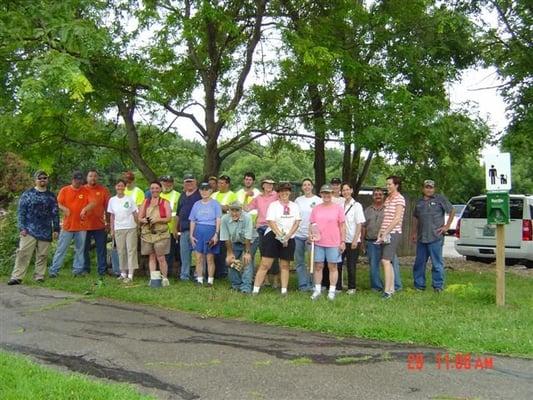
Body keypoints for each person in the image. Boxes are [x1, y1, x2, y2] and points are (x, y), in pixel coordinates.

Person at [8, 171, 60, 285]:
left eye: (44, 178)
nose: (42, 180)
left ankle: (39, 276)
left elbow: (55, 213)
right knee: (23, 253)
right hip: (29, 230)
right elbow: (21, 212)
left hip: (45, 230)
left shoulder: (51, 196)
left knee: (42, 255)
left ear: (47, 180)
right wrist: (22, 227)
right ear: (35, 180)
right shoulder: (27, 194)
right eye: (39, 178)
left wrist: (56, 229)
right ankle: (17, 277)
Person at [252, 182, 301, 296]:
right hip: (273, 236)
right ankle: (255, 290)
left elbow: (297, 222)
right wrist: (281, 236)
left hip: (289, 237)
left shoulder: (294, 206)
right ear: (278, 193)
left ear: (290, 192)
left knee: (285, 265)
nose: (284, 193)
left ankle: (284, 291)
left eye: (287, 191)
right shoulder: (274, 205)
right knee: (265, 264)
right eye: (282, 191)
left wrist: (287, 236)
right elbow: (270, 221)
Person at [49, 171, 94, 277]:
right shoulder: (64, 190)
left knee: (80, 249)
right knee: (61, 249)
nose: (78, 182)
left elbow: (92, 203)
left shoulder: (85, 190)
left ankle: (77, 270)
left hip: (82, 226)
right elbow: (57, 203)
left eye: (80, 180)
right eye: (76, 180)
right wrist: (64, 208)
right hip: (68, 225)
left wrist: (85, 209)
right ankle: (54, 270)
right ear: (72, 180)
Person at [412, 179, 454, 292]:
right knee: (419, 263)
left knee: (437, 264)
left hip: (436, 237)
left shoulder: (440, 199)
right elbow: (416, 217)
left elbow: (452, 211)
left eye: (431, 187)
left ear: (434, 189)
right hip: (421, 237)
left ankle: (438, 286)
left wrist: (446, 226)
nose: (429, 189)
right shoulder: (419, 202)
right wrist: (415, 232)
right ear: (423, 188)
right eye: (427, 187)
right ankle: (419, 286)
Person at [309, 185, 346, 301]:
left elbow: (342, 226)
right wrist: (310, 235)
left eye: (329, 193)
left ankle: (332, 291)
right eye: (324, 193)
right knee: (318, 266)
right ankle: (318, 290)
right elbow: (311, 224)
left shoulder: (338, 208)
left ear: (332, 194)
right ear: (321, 194)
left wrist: (343, 241)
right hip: (319, 242)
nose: (326, 195)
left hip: (334, 242)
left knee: (333, 266)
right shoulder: (316, 208)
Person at [362, 188, 402, 292]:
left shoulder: (388, 208)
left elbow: (395, 220)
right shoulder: (367, 210)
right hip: (371, 241)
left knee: (392, 263)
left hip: (387, 240)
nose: (378, 196)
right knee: (374, 265)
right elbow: (363, 227)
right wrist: (362, 242)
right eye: (376, 194)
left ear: (383, 196)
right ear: (372, 196)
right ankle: (376, 287)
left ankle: (396, 286)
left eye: (380, 194)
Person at [246, 176, 280, 287]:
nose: (270, 186)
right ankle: (265, 279)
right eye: (267, 184)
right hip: (261, 228)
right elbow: (247, 208)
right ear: (263, 185)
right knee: (263, 253)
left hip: (273, 227)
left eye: (271, 184)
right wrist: (246, 197)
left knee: (274, 254)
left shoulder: (276, 195)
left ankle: (275, 280)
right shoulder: (258, 198)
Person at [376, 176, 406, 299]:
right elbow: (385, 218)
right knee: (389, 261)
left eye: (389, 184)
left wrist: (386, 232)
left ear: (396, 185)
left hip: (393, 233)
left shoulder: (400, 199)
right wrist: (380, 232)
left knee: (385, 261)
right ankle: (391, 289)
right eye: (387, 184)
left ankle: (387, 291)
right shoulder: (388, 199)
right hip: (386, 233)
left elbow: (397, 218)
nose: (387, 186)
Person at [139, 181, 172, 286]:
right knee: (151, 256)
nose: (154, 190)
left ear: (160, 189)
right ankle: (153, 278)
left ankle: (165, 278)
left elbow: (169, 218)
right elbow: (139, 217)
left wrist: (157, 219)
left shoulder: (165, 202)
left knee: (161, 257)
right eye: (152, 188)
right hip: (148, 233)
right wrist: (144, 220)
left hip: (161, 233)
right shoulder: (146, 202)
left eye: (157, 188)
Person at [190, 182, 222, 286]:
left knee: (209, 257)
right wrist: (191, 235)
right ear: (199, 191)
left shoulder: (215, 204)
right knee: (198, 257)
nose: (204, 192)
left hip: (211, 230)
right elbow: (193, 220)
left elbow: (218, 219)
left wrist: (216, 234)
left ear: (211, 191)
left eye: (207, 189)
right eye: (202, 189)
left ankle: (210, 280)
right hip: (199, 231)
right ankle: (199, 279)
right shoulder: (196, 204)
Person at [108, 179, 138, 283]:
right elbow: (112, 216)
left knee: (131, 250)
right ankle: (123, 273)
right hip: (118, 228)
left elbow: (135, 213)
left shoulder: (129, 199)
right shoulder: (112, 200)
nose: (120, 188)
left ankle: (130, 275)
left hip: (130, 227)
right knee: (121, 251)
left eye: (122, 186)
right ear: (115, 187)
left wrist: (138, 226)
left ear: (124, 187)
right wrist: (112, 229)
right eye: (118, 186)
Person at [294, 178, 321, 292]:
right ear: (302, 187)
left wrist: (315, 233)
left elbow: (320, 218)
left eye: (308, 185)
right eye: (304, 185)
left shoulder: (318, 200)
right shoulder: (298, 200)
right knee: (300, 261)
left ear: (312, 186)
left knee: (314, 261)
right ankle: (303, 285)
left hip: (312, 236)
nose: (306, 187)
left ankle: (314, 284)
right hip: (299, 235)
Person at [220, 201, 254, 293]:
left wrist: (247, 253)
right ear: (229, 210)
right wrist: (230, 253)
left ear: (241, 210)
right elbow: (225, 237)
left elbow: (248, 236)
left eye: (237, 210)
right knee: (231, 261)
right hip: (235, 242)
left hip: (250, 242)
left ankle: (246, 288)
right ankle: (236, 285)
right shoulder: (224, 219)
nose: (234, 213)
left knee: (247, 261)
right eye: (232, 210)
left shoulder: (247, 217)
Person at [83, 170, 110, 279]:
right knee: (84, 248)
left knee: (101, 249)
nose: (93, 178)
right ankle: (85, 269)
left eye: (95, 176)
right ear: (87, 177)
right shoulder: (82, 190)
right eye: (90, 176)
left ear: (97, 178)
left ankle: (102, 270)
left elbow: (108, 208)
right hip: (84, 225)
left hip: (99, 225)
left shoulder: (103, 190)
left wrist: (108, 222)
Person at [340, 183, 365, 294]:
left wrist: (355, 239)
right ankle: (338, 286)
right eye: (343, 190)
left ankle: (351, 287)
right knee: (338, 263)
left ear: (351, 190)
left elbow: (359, 224)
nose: (345, 192)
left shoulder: (357, 205)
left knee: (351, 265)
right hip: (341, 240)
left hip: (352, 240)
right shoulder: (340, 205)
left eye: (347, 189)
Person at [175, 173, 201, 281]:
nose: (189, 183)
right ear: (184, 183)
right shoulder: (182, 195)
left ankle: (198, 275)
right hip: (184, 229)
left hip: (197, 229)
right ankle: (184, 275)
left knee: (198, 254)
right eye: (187, 182)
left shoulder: (200, 194)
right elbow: (178, 213)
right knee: (184, 254)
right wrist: (175, 228)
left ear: (195, 182)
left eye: (191, 181)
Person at [211, 174, 238, 278]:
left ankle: (224, 271)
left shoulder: (232, 195)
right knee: (215, 248)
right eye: (219, 182)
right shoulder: (214, 195)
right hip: (213, 224)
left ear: (227, 184)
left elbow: (231, 208)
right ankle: (216, 271)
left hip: (226, 225)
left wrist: (218, 205)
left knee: (225, 248)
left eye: (222, 183)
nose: (219, 185)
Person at [159, 175, 181, 278]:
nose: (167, 184)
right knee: (160, 252)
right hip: (158, 229)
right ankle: (161, 272)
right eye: (165, 182)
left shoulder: (177, 195)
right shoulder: (156, 194)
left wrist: (176, 228)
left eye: (169, 182)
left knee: (171, 253)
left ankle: (169, 274)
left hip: (172, 229)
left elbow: (179, 214)